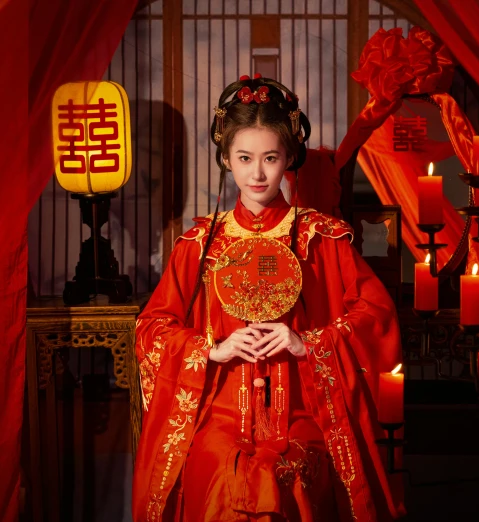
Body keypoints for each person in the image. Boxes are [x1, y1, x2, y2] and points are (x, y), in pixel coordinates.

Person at [132, 74, 404, 522]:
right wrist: (210, 350)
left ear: (289, 158)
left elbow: (376, 313)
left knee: (290, 471)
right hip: (219, 417)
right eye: (244, 158)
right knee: (221, 469)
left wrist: (310, 344)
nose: (257, 173)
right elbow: (151, 328)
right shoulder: (200, 244)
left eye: (270, 158)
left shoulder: (321, 238)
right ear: (226, 159)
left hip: (304, 412)